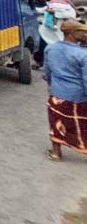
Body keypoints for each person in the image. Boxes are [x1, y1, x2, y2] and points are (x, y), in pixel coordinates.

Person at [44, 20, 87, 161]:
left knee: (56, 123)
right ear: (73, 34)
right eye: (82, 32)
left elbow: (48, 72)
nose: (85, 35)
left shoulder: (50, 49)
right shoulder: (82, 55)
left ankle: (56, 152)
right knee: (82, 125)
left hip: (57, 96)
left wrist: (51, 85)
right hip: (79, 97)